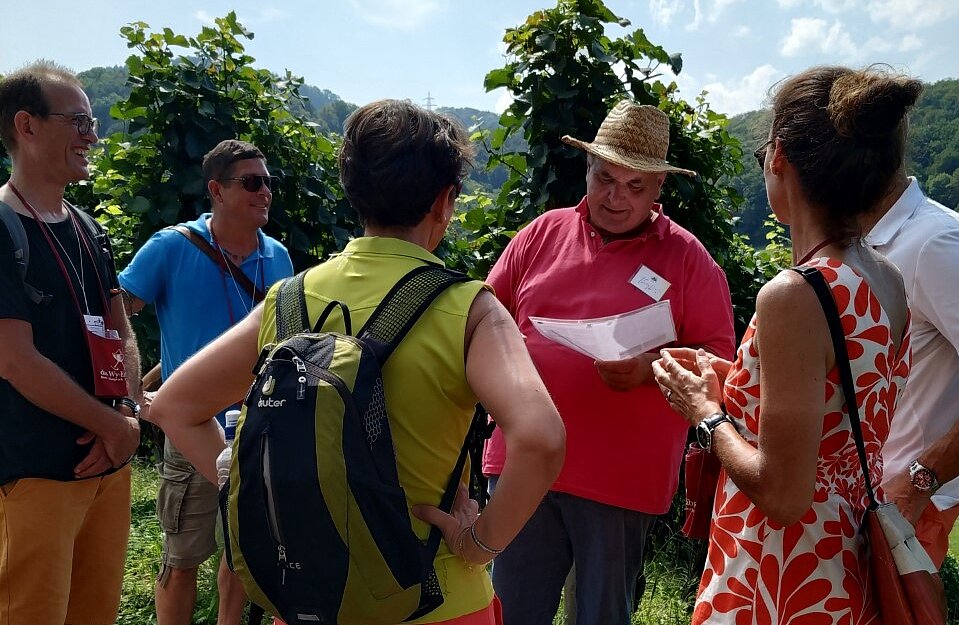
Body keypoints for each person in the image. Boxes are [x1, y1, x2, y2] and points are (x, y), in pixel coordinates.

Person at [149, 99, 566, 625]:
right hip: (434, 598)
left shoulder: (288, 299)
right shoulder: (469, 308)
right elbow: (542, 437)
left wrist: (245, 490)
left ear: (355, 193)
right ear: (444, 202)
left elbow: (175, 405)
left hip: (308, 594)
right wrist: (481, 543)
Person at [653, 65, 918, 624]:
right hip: (844, 562)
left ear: (779, 158)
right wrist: (739, 381)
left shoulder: (795, 295)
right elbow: (840, 410)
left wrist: (706, 412)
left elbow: (782, 493)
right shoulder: (885, 280)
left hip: (776, 576)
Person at [483, 100, 736, 625]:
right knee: (507, 613)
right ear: (588, 170)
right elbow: (482, 318)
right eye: (605, 179)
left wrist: (650, 369)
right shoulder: (541, 234)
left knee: (600, 616)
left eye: (634, 186)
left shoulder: (690, 260)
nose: (615, 197)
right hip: (522, 462)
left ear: (659, 188)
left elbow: (721, 367)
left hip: (620, 479)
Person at [118, 138, 293, 625]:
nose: (265, 192)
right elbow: (117, 310)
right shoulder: (171, 246)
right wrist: (131, 391)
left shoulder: (277, 256)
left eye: (268, 182)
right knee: (182, 560)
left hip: (257, 429)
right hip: (190, 425)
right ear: (216, 190)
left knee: (240, 552)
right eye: (252, 182)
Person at [0, 61, 141, 623]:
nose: (92, 134)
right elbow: (14, 360)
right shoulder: (3, 229)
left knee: (95, 613)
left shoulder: (88, 226)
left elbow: (121, 328)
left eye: (92, 121)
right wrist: (114, 427)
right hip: (37, 474)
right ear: (27, 126)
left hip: (109, 465)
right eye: (78, 120)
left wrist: (126, 413)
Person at [860, 144, 959, 568]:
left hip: (905, 504)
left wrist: (919, 481)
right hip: (868, 498)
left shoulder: (935, 241)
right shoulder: (871, 236)